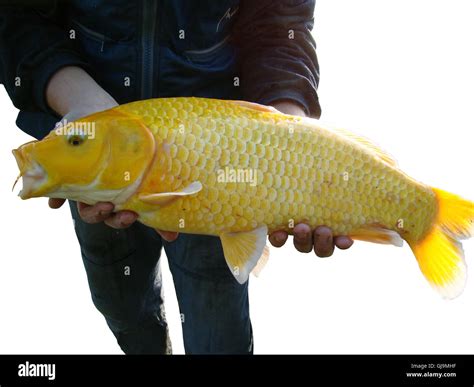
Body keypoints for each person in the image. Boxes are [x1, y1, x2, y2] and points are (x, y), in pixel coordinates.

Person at [0, 0, 353, 354]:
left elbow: (280, 27)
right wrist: (83, 106)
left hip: (223, 169)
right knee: (121, 304)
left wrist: (288, 137)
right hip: (96, 152)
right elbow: (18, 15)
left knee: (218, 330)